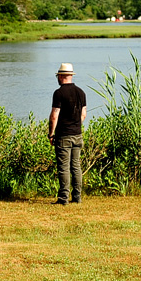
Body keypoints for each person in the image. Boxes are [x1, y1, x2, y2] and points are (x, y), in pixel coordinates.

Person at [48, 62, 86, 205]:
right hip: (77, 134)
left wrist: (51, 133)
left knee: (63, 167)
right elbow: (83, 114)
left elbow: (54, 115)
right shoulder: (81, 92)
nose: (57, 78)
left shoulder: (59, 93)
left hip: (64, 135)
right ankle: (77, 197)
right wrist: (76, 126)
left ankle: (63, 198)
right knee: (76, 166)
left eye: (58, 76)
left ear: (62, 76)